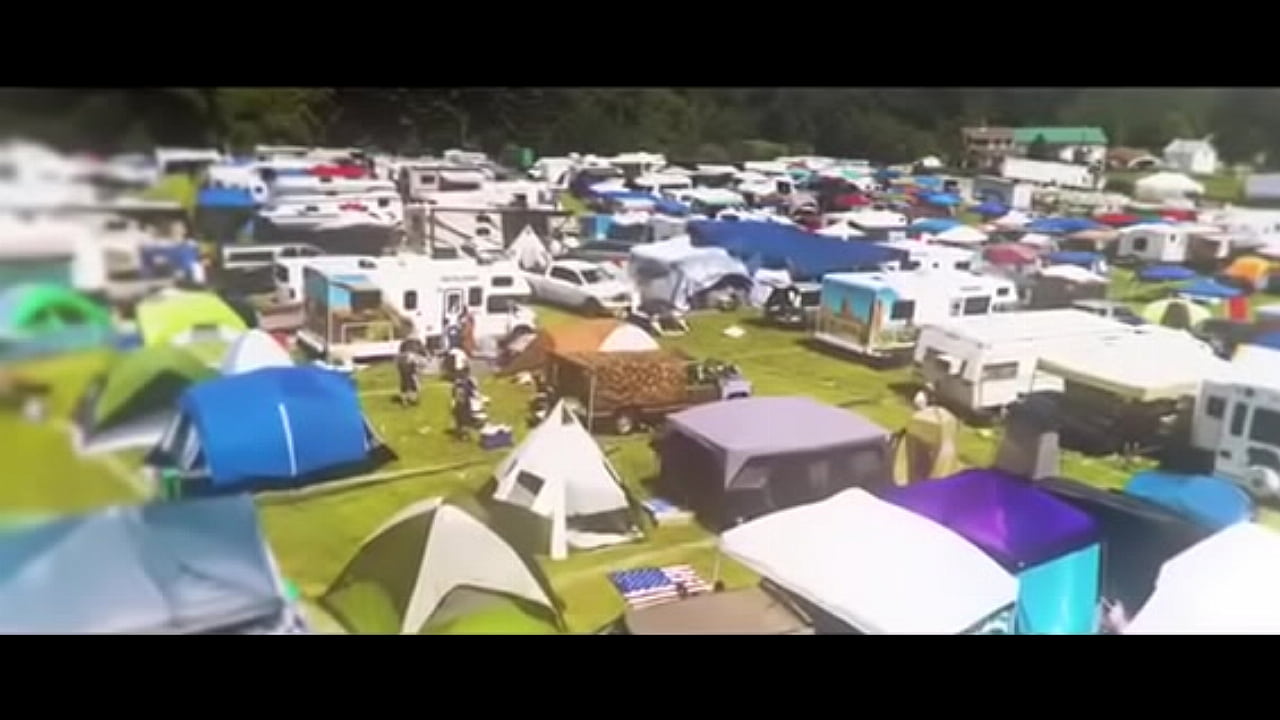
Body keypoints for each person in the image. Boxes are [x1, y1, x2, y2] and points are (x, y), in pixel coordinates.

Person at [396, 340, 429, 406]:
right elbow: (423, 354)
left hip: (401, 361)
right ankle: (413, 399)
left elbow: (400, 352)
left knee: (404, 381)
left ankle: (405, 401)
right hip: (410, 360)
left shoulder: (404, 343)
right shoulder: (417, 343)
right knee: (414, 381)